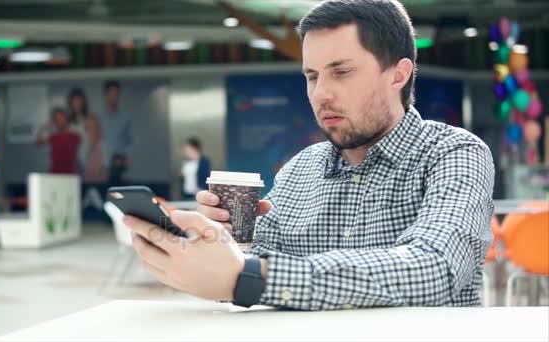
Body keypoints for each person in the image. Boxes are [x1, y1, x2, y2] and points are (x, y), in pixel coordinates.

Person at [123, 0, 494, 310]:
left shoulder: (453, 153)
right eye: (312, 76)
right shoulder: (300, 169)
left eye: (342, 72)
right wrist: (220, 242)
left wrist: (250, 277)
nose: (320, 93)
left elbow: (437, 269)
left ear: (398, 75)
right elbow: (248, 266)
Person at [99, 80, 132, 185]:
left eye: (116, 94)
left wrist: (124, 158)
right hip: (101, 164)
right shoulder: (99, 118)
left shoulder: (125, 118)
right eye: (111, 94)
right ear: (106, 95)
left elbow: (128, 142)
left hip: (118, 165)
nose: (114, 97)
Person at [36, 108, 80, 174]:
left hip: (70, 175)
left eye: (61, 118)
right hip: (54, 174)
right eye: (56, 119)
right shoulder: (53, 137)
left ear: (66, 118)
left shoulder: (75, 136)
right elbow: (38, 143)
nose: (59, 121)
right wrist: (43, 128)